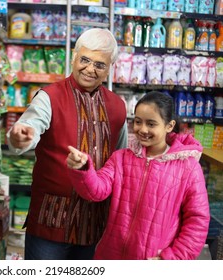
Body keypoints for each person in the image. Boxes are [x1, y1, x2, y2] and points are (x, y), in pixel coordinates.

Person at [7, 28, 128, 260]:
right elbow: (30, 127)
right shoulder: (49, 97)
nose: (90, 69)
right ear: (74, 56)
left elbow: (120, 161)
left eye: (99, 64)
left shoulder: (118, 107)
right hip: (51, 221)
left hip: (97, 223)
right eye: (85, 60)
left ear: (110, 67)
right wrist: (19, 137)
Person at [66, 91, 210, 260]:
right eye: (138, 122)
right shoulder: (121, 158)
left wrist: (172, 258)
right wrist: (83, 168)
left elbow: (197, 221)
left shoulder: (188, 167)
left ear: (169, 126)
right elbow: (96, 191)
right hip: (111, 255)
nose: (142, 129)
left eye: (151, 124)